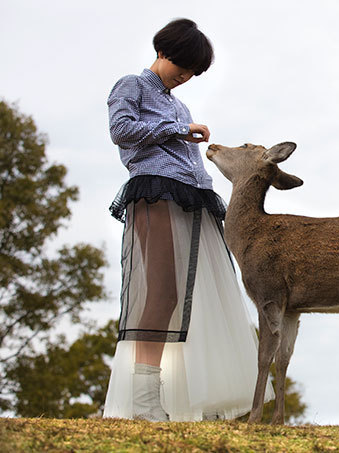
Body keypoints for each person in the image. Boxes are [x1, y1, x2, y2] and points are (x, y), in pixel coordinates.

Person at [103, 18, 273, 421]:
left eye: (192, 72)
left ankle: (200, 399)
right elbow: (120, 129)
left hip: (194, 196)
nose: (186, 76)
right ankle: (144, 403)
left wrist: (185, 131)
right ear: (163, 52)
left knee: (198, 295)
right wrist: (180, 129)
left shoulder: (179, 103)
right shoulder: (132, 85)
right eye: (183, 66)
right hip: (154, 191)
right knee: (161, 292)